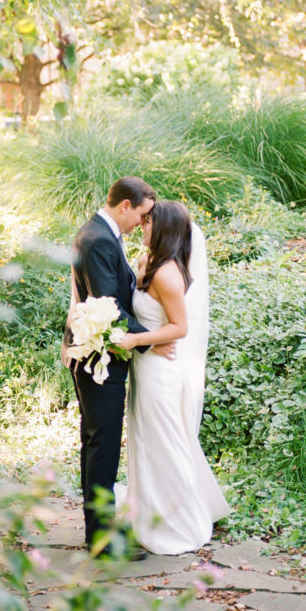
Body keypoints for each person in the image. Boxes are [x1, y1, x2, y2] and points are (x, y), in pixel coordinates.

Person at [67, 176, 172, 557]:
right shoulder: (98, 239)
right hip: (100, 359)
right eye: (142, 214)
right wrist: (153, 340)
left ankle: (98, 529)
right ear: (125, 205)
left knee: (98, 444)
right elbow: (109, 306)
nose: (143, 223)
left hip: (100, 355)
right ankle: (101, 538)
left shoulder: (100, 234)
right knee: (103, 447)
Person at [119, 199, 229, 554]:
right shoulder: (147, 262)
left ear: (164, 228)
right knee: (145, 440)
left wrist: (137, 340)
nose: (142, 225)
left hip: (161, 373)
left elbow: (180, 327)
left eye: (149, 222)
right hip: (144, 369)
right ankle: (147, 512)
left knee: (163, 443)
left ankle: (179, 522)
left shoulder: (167, 273)